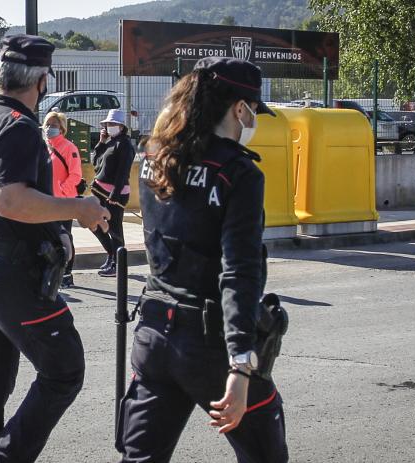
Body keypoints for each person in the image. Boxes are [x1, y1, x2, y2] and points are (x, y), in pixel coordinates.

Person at [115, 57, 289, 462]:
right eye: (252, 111)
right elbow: (239, 270)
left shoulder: (156, 158)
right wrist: (242, 364)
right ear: (238, 108)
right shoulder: (239, 173)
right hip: (209, 345)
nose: (253, 120)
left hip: (155, 331)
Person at [0, 34, 110, 463]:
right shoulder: (20, 128)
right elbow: (9, 199)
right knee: (64, 370)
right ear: (42, 80)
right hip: (7, 271)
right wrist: (79, 208)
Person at [90, 109, 135, 277]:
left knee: (115, 229)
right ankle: (111, 254)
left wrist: (114, 196)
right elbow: (96, 163)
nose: (110, 126)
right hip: (99, 191)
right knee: (94, 223)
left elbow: (123, 172)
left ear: (122, 126)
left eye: (114, 124)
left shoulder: (125, 144)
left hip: (114, 194)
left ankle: (118, 263)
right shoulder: (109, 142)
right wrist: (101, 142)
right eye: (108, 124)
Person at [43, 111, 82, 288]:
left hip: (64, 201)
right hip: (46, 201)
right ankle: (53, 270)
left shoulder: (69, 148)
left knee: (65, 237)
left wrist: (60, 191)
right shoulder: (43, 148)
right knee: (49, 236)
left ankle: (67, 273)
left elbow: (75, 175)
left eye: (54, 125)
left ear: (62, 129)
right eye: (47, 124)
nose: (49, 128)